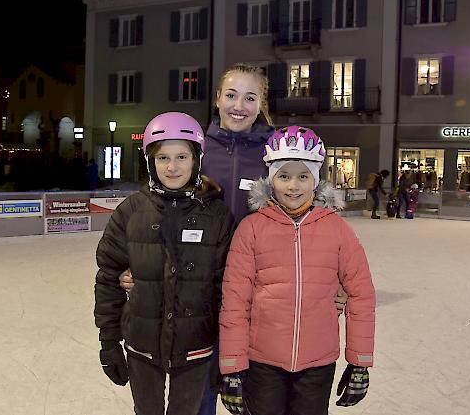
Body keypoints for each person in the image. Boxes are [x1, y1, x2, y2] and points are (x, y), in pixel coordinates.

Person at [119, 63, 349, 415]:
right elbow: (155, 209)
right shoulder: (195, 147)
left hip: (259, 286)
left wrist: (330, 279)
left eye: (249, 97)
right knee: (200, 386)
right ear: (217, 99)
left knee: (258, 389)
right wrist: (140, 266)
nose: (238, 105)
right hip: (196, 285)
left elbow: (312, 214)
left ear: (261, 104)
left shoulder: (275, 150)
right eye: (230, 95)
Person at [218, 126, 376, 415]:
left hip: (317, 364)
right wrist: (232, 367)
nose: (293, 186)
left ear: (315, 180)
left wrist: (360, 362)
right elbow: (235, 302)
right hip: (262, 362)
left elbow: (361, 295)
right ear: (271, 179)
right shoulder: (251, 229)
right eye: (284, 176)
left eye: (303, 176)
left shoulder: (337, 230)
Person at [94, 112, 236, 415]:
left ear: (196, 159)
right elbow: (108, 279)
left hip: (196, 345)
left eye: (182, 156)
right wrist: (109, 343)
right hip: (142, 343)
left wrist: (228, 351)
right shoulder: (130, 212)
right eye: (163, 158)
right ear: (150, 163)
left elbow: (228, 288)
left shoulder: (217, 216)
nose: (172, 167)